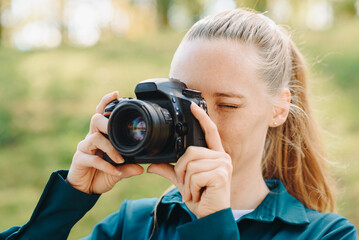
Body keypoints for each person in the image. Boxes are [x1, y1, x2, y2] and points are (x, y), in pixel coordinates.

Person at [1, 8, 357, 240]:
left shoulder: (327, 234)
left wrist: (214, 223)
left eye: (227, 104)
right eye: (185, 103)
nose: (202, 122)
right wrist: (69, 201)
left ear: (279, 109)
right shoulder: (133, 225)